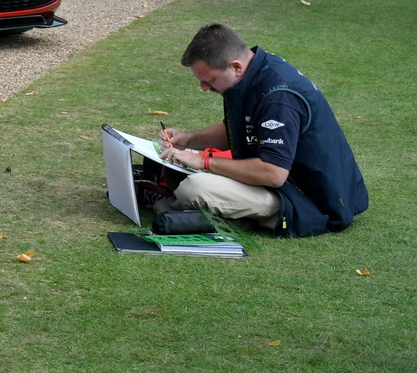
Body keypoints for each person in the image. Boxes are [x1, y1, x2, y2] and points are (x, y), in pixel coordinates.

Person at [153, 23, 367, 237]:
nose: (204, 88)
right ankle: (231, 216)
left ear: (236, 67)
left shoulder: (279, 98)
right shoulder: (253, 71)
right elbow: (240, 129)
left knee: (195, 187)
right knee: (173, 169)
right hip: (280, 183)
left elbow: (274, 173)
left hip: (309, 200)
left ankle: (212, 215)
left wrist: (204, 161)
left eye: (209, 80)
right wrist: (189, 139)